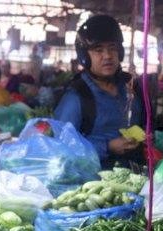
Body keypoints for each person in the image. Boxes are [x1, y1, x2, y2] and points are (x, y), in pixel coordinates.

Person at [54, 14, 144, 168]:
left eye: (112, 48)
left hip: (135, 174)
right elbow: (62, 147)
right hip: (92, 181)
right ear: (85, 56)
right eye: (98, 50)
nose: (107, 56)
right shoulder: (77, 96)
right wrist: (107, 146)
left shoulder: (131, 86)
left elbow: (143, 123)